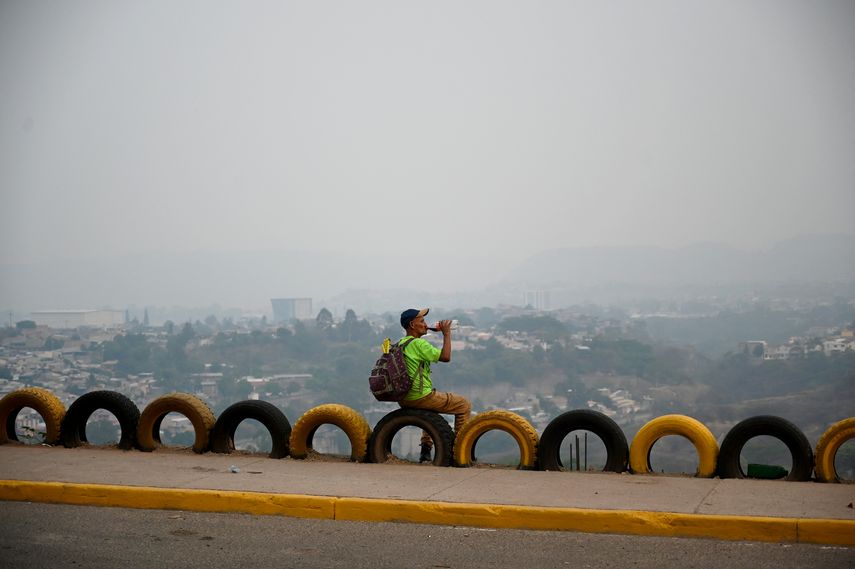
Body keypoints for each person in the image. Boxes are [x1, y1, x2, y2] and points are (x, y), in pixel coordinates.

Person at [397, 308, 471, 463]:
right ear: (412, 325)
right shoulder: (418, 344)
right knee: (463, 405)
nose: (425, 325)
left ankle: (425, 450)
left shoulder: (400, 344)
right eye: (422, 321)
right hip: (420, 396)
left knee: (430, 413)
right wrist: (446, 334)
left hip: (403, 397)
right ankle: (460, 451)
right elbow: (445, 357)